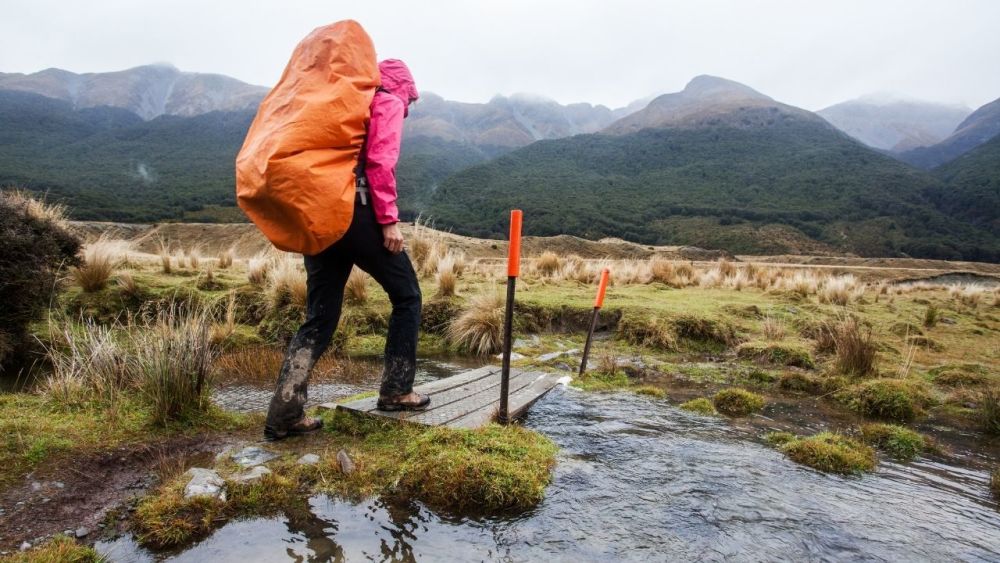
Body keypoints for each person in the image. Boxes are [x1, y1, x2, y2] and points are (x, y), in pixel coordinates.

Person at [264, 59, 428, 441]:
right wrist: (388, 219)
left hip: (322, 215)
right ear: (405, 88)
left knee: (319, 317)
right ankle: (396, 391)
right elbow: (379, 161)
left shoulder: (346, 103)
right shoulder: (386, 99)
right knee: (407, 296)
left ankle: (285, 413)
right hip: (358, 213)